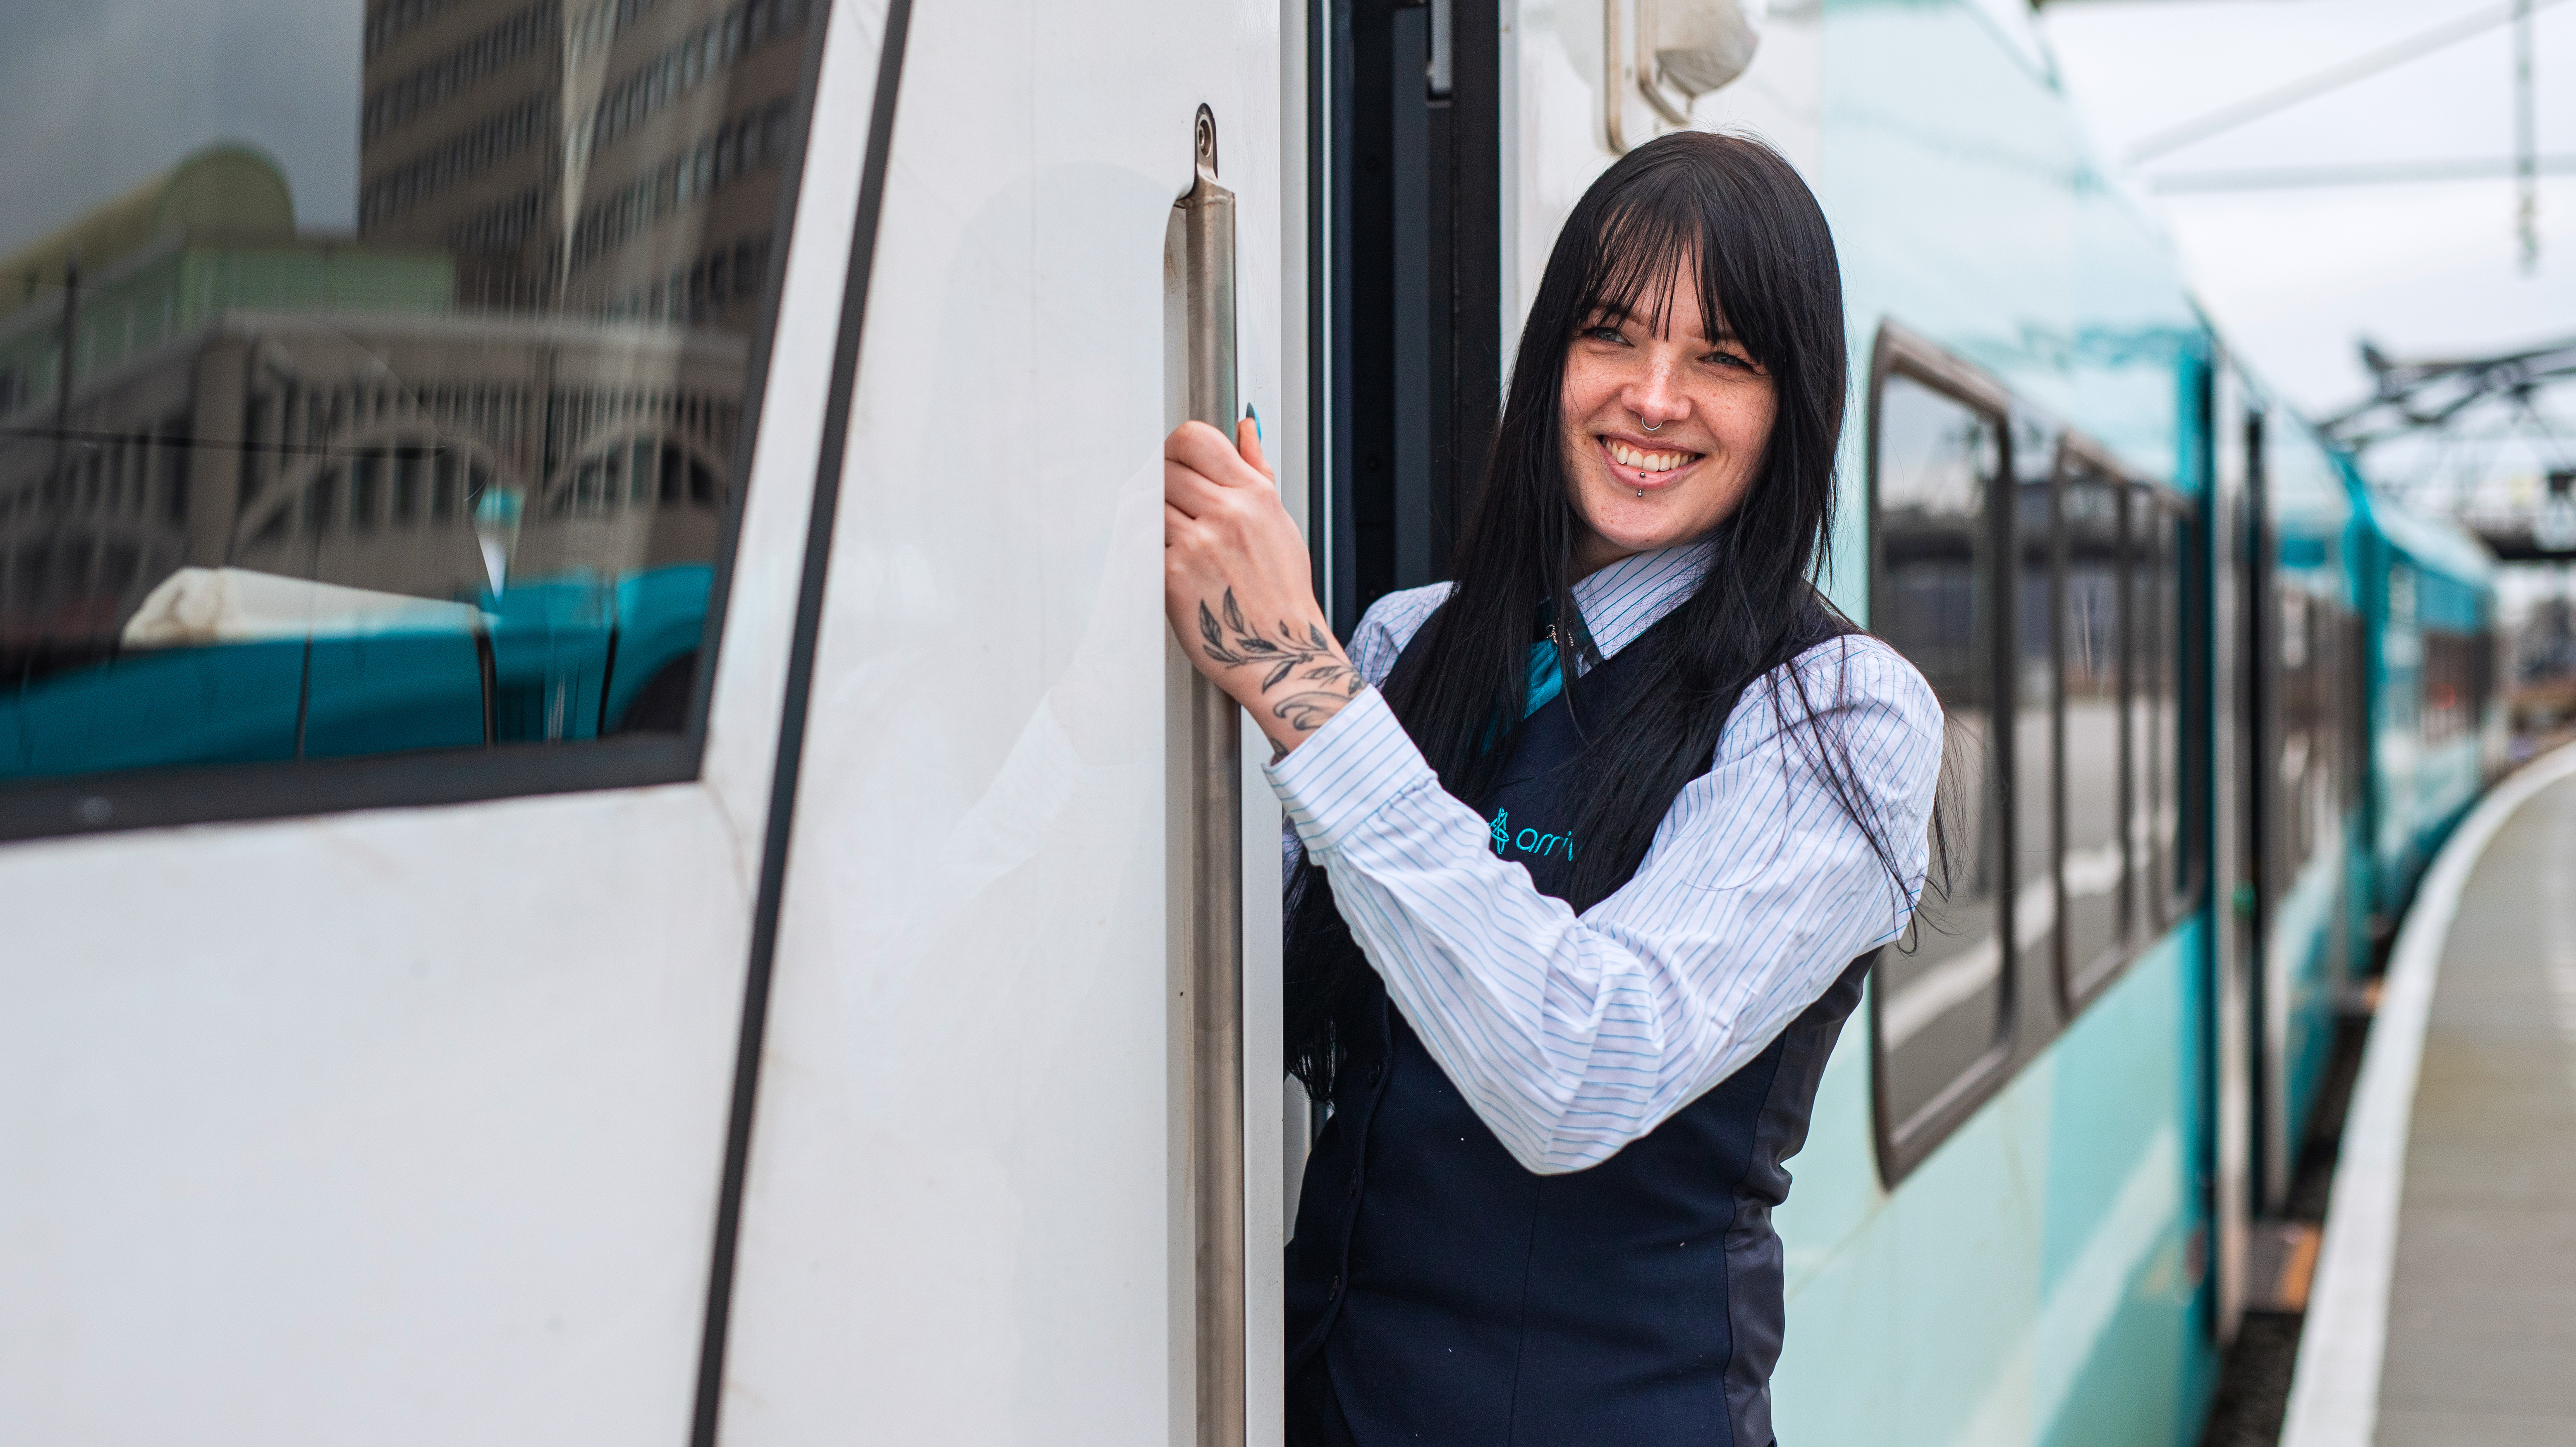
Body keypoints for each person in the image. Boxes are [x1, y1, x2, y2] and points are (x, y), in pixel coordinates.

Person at [1163, 132, 1944, 1447]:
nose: (1652, 396)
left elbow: (1582, 1070)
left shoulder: (1839, 714)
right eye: (1611, 335)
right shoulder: (1415, 640)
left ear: (1790, 406)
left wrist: (1296, 677)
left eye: (1722, 359)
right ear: (1549, 365)